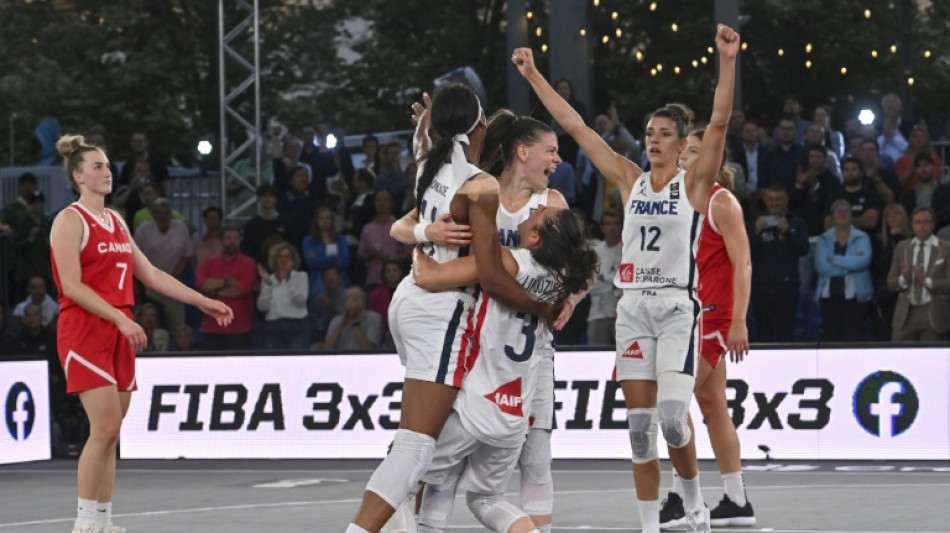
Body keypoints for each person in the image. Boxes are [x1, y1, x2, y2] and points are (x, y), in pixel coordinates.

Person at [512, 22, 739, 533]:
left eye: (664, 134)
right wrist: (533, 75)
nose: (653, 140)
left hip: (679, 308)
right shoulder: (630, 179)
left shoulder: (695, 185)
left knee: (673, 420)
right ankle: (649, 527)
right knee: (639, 432)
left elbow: (720, 124)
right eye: (649, 133)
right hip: (632, 308)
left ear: (683, 144)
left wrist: (727, 63)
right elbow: (576, 128)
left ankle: (695, 504)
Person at [344, 83, 561, 533]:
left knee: (425, 446)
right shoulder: (481, 186)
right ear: (482, 127)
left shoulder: (432, 161)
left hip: (409, 298)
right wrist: (544, 306)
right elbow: (492, 274)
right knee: (418, 448)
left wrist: (426, 233)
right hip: (442, 310)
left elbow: (409, 222)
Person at [393, 107, 571, 531]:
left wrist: (569, 299)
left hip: (514, 348)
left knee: (424, 461)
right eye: (552, 150)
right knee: (470, 483)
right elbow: (406, 224)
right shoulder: (479, 189)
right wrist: (425, 233)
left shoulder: (549, 208)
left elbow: (466, 273)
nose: (559, 160)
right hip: (479, 338)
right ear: (522, 151)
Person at [49, 134, 232, 533]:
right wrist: (119, 318)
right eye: (96, 166)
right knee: (104, 428)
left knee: (113, 433)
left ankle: (103, 519)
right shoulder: (69, 220)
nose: (106, 171)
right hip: (85, 328)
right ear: (78, 175)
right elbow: (71, 285)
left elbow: (149, 274)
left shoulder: (115, 219)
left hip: (119, 326)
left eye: (107, 165)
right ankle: (83, 522)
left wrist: (201, 300)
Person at [410, 206, 597, 533]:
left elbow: (428, 276)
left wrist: (421, 246)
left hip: (476, 404)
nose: (538, 206)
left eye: (542, 212)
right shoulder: (561, 281)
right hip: (514, 416)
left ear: (536, 236)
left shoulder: (510, 262)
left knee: (405, 479)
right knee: (486, 500)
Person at [659, 129, 753, 528]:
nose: (685, 158)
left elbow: (744, 263)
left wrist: (738, 321)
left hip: (712, 317)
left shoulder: (721, 201)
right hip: (687, 314)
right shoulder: (678, 202)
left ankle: (682, 496)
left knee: (673, 405)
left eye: (695, 151)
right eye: (684, 152)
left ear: (713, 156)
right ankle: (736, 500)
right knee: (714, 407)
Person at [748, 185, 810, 342]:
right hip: (761, 286)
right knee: (763, 331)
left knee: (786, 331)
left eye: (778, 199)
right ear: (765, 201)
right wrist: (756, 232)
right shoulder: (757, 223)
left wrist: (788, 232)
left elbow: (803, 249)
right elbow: (748, 253)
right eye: (771, 199)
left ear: (786, 201)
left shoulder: (797, 224)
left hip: (787, 286)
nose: (774, 203)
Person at [886, 207, 950, 341]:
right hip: (905, 313)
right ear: (912, 225)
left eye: (926, 222)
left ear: (933, 224)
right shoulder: (902, 247)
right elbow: (891, 283)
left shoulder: (946, 248)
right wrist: (904, 278)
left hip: (933, 313)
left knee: (930, 360)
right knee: (899, 358)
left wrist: (927, 281)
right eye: (918, 222)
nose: (922, 226)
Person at [814, 200, 873, 342]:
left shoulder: (862, 237)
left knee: (854, 337)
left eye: (846, 211)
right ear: (832, 216)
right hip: (830, 297)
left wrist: (834, 259)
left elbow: (863, 262)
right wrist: (851, 265)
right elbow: (821, 267)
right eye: (838, 212)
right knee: (831, 337)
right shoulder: (823, 239)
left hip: (856, 298)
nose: (843, 215)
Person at [195, 227, 256, 351]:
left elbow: (243, 289)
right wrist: (227, 282)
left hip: (239, 326)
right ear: (221, 241)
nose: (232, 242)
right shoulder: (209, 263)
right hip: (212, 326)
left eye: (235, 238)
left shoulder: (248, 263)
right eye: (228, 238)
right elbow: (200, 283)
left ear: (240, 241)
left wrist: (214, 291)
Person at [257, 241, 310, 350]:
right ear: (274, 260)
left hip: (297, 326)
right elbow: (262, 307)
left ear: (293, 259)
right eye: (280, 256)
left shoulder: (301, 276)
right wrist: (268, 285)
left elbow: (300, 300)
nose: (283, 260)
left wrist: (287, 279)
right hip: (273, 327)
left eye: (287, 256)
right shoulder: (269, 279)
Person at [587, 209, 623, 346]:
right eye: (608, 224)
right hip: (597, 314)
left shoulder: (629, 250)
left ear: (621, 226)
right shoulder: (595, 252)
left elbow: (628, 283)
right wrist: (614, 283)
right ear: (602, 227)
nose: (612, 227)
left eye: (616, 223)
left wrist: (603, 278)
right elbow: (590, 284)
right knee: (596, 360)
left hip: (622, 315)